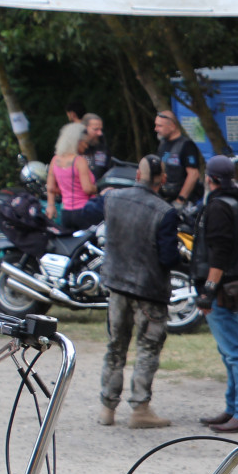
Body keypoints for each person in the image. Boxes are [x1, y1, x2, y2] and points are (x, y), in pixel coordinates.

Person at [98, 155, 177, 429]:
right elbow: (168, 258)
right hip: (149, 290)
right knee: (148, 347)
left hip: (117, 285)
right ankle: (140, 407)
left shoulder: (112, 199)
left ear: (137, 176)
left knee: (116, 346)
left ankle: (107, 408)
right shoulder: (165, 211)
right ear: (162, 179)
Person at [194, 155, 238, 434]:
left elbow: (220, 252)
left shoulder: (219, 206)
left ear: (210, 179)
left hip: (225, 288)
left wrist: (208, 290)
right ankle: (234, 408)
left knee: (235, 352)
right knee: (231, 351)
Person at [45, 122, 100, 231]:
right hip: (84, 211)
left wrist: (51, 205)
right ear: (77, 142)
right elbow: (88, 189)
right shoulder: (79, 161)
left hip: (66, 213)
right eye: (85, 142)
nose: (86, 146)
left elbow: (50, 187)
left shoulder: (55, 160)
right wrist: (100, 188)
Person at [153, 109, 204, 204]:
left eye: (159, 126)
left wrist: (180, 200)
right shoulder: (163, 144)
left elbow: (193, 174)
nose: (156, 129)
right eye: (156, 125)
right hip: (164, 199)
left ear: (172, 126)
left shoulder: (187, 145)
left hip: (182, 201)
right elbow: (162, 167)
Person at [82, 113, 112, 180]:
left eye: (100, 129)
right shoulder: (73, 150)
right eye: (96, 129)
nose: (100, 133)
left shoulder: (103, 149)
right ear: (84, 129)